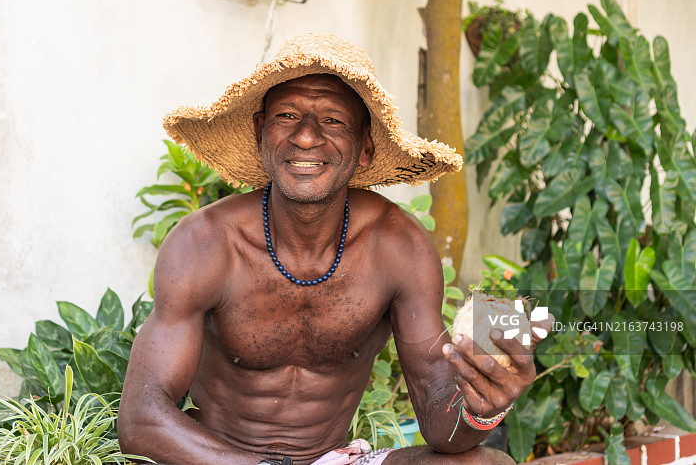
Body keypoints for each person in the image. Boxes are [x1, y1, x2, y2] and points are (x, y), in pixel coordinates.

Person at [117, 34, 552, 465]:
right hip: (220, 463)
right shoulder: (204, 243)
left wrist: (483, 405)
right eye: (287, 115)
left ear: (365, 147)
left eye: (333, 120)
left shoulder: (398, 247)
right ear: (260, 133)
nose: (306, 137)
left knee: (489, 464)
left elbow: (440, 423)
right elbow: (142, 418)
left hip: (332, 460)